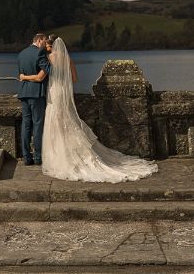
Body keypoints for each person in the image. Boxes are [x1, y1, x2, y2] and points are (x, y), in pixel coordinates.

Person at [19, 36, 157, 182]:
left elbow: (42, 76)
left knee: (54, 121)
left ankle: (54, 154)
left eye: (47, 44)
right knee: (67, 119)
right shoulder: (67, 58)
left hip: (53, 91)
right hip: (64, 92)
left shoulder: (48, 58)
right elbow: (74, 79)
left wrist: (24, 77)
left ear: (49, 45)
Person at [16, 32, 51, 166]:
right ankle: (37, 157)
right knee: (37, 125)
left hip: (24, 93)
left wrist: (25, 77)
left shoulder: (21, 54)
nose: (45, 43)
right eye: (44, 40)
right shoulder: (40, 53)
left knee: (26, 125)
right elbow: (47, 71)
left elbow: (20, 75)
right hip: (37, 94)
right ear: (39, 40)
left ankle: (26, 157)